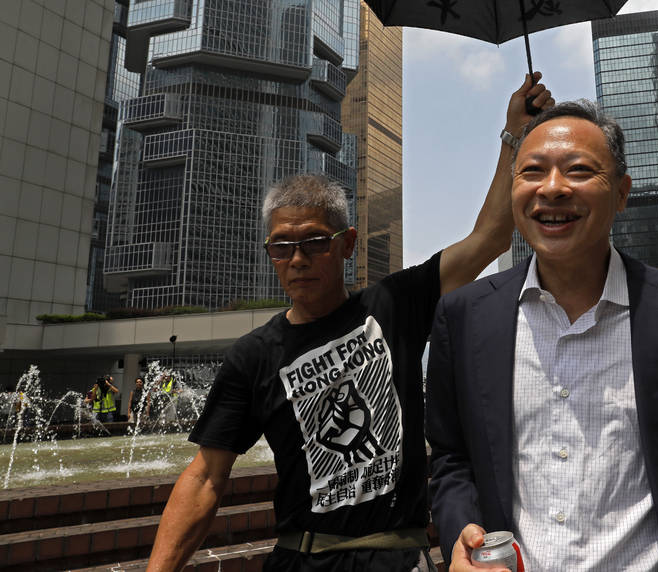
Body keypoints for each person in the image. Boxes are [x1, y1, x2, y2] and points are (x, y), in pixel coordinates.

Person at [145, 74, 553, 572]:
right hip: (302, 559)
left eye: (315, 242)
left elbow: (489, 237)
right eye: (282, 246)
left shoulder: (394, 304)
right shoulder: (253, 355)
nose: (298, 259)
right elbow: (206, 477)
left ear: (347, 243)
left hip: (397, 559)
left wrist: (515, 137)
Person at [427, 101, 658, 571]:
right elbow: (451, 458)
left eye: (579, 171)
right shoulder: (465, 316)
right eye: (532, 171)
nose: (552, 188)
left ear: (622, 193)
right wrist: (458, 537)